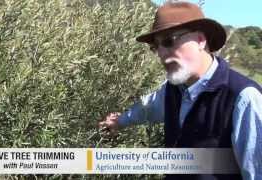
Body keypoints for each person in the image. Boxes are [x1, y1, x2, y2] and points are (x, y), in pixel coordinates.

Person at [98, 1, 262, 180]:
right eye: (156, 47)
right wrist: (118, 122)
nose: (161, 53)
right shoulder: (173, 90)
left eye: (168, 41)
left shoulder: (244, 98)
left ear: (200, 40)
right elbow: (147, 109)